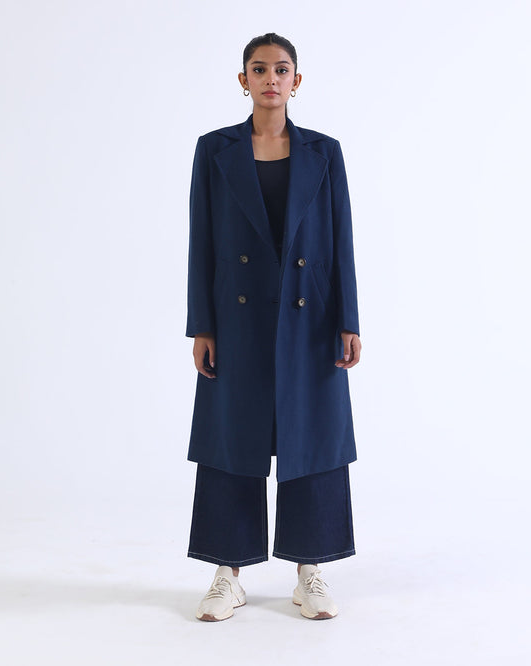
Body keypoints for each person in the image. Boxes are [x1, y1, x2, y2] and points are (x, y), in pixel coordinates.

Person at [185, 32, 362, 621]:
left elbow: (341, 238)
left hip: (310, 318)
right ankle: (227, 572)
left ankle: (310, 570)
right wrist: (201, 325)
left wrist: (348, 318)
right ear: (244, 80)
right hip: (237, 319)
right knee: (232, 437)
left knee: (312, 437)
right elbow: (201, 243)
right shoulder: (214, 150)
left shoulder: (324, 151)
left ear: (296, 81)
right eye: (259, 69)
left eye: (281, 69)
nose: (270, 79)